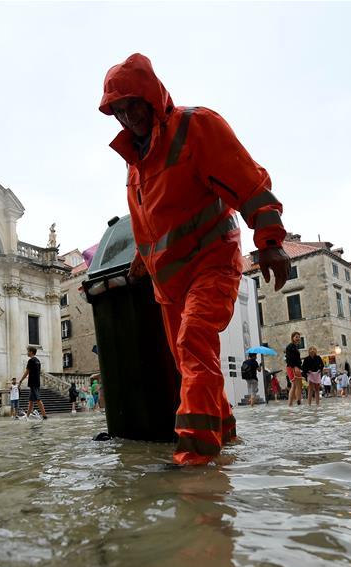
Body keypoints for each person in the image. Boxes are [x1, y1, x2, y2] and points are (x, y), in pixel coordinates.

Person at [99, 53, 290, 465]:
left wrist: (271, 240)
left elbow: (248, 179)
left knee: (193, 340)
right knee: (190, 359)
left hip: (212, 259)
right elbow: (148, 223)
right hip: (168, 283)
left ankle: (195, 455)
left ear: (153, 96)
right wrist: (141, 262)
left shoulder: (196, 126)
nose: (128, 117)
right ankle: (223, 433)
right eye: (118, 110)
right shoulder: (135, 165)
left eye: (133, 104)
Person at [21, 347, 47, 420]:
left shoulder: (31, 361)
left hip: (33, 382)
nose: (27, 352)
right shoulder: (38, 361)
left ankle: (44, 415)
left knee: (38, 399)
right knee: (31, 401)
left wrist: (21, 380)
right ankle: (27, 416)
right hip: (37, 382)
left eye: (28, 351)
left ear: (31, 352)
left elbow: (27, 372)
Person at [285, 332, 304, 406]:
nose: (298, 338)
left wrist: (299, 367)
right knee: (294, 385)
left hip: (296, 367)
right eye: (296, 337)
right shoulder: (290, 346)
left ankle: (298, 402)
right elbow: (289, 358)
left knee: (299, 385)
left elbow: (297, 359)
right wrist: (295, 367)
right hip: (292, 367)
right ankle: (290, 404)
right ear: (292, 337)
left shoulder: (295, 347)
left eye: (299, 337)